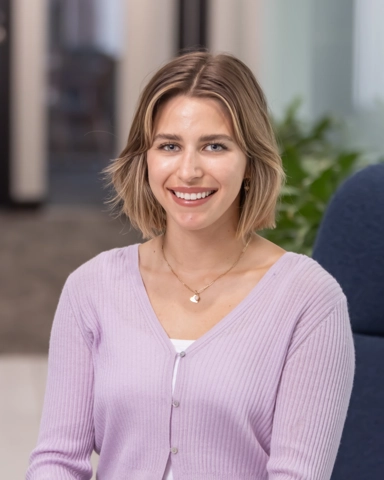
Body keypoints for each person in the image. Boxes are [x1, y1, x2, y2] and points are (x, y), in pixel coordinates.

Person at [26, 51, 355, 480]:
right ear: (145, 161)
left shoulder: (309, 299)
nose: (189, 170)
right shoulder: (92, 287)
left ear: (251, 162)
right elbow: (56, 461)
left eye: (214, 146)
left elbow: (298, 474)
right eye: (169, 146)